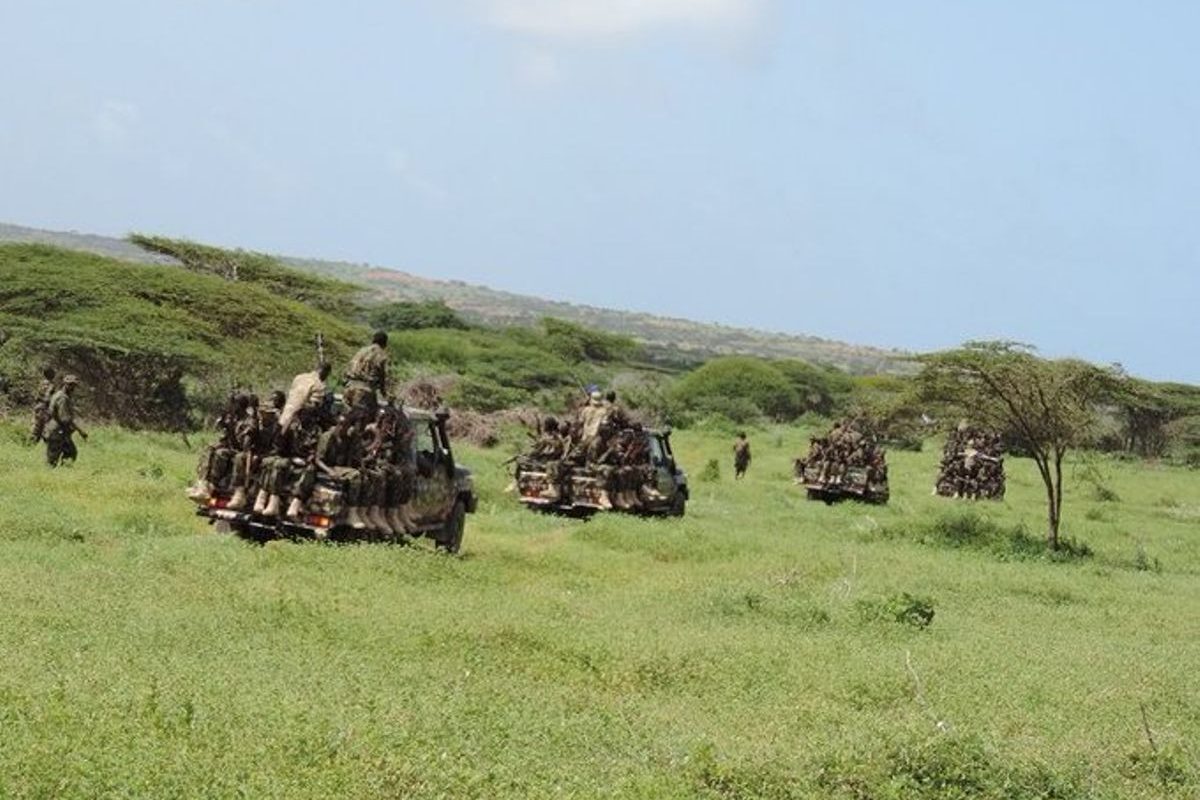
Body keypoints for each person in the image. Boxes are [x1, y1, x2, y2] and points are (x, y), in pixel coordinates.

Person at [44, 374, 87, 467]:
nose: (73, 387)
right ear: (65, 384)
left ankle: (65, 475)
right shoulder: (62, 398)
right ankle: (48, 478)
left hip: (60, 431)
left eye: (74, 385)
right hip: (57, 431)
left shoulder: (61, 395)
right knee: (52, 460)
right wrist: (80, 431)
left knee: (70, 453)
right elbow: (65, 419)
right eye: (71, 385)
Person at [343, 331, 389, 413]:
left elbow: (349, 367)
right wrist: (384, 394)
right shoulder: (382, 355)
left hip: (349, 387)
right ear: (384, 343)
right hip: (364, 391)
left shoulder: (362, 350)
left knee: (347, 418)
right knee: (367, 417)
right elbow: (382, 377)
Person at [279, 363, 332, 432]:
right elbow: (313, 406)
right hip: (298, 420)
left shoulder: (299, 377)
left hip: (285, 414)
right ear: (325, 372)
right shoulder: (319, 385)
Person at [29, 367, 57, 444]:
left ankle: (31, 445)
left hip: (39, 407)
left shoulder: (42, 383)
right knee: (44, 429)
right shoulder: (50, 384)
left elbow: (36, 397)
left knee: (37, 429)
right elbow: (47, 397)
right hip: (44, 409)